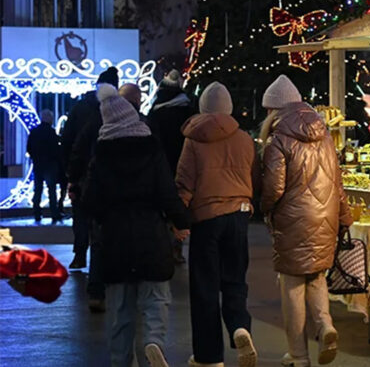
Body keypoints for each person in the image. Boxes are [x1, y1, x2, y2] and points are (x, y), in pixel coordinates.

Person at [82, 83, 190, 367]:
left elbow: (90, 203)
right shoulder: (151, 148)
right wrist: (181, 222)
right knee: (156, 299)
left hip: (116, 240)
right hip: (151, 236)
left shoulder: (101, 156)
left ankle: (121, 361)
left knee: (120, 311)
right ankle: (153, 341)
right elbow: (167, 192)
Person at [259, 75, 352, 367]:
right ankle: (325, 326)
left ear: (274, 109)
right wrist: (345, 217)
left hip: (293, 218)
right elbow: (338, 183)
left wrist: (264, 209)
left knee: (292, 284)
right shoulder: (324, 134)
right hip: (326, 217)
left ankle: (298, 355)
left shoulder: (277, 140)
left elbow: (274, 188)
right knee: (317, 277)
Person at [175, 82, 259, 367]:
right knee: (235, 279)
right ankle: (239, 327)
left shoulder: (194, 139)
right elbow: (254, 177)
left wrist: (178, 218)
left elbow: (184, 182)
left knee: (205, 288)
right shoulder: (245, 139)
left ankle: (209, 357)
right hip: (239, 215)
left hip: (207, 220)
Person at [62, 67, 119, 312]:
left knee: (83, 219)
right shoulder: (117, 113)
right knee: (103, 230)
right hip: (110, 180)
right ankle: (104, 282)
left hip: (86, 177)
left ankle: (79, 254)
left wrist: (71, 176)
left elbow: (71, 143)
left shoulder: (81, 109)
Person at [147, 71, 197, 264]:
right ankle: (178, 246)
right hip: (185, 166)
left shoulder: (155, 113)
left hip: (162, 166)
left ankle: (165, 246)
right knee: (181, 206)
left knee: (164, 208)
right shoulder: (189, 112)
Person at [26, 109, 62, 224]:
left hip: (38, 165)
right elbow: (56, 150)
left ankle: (37, 212)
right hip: (50, 165)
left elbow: (29, 148)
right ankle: (54, 213)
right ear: (50, 119)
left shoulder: (34, 132)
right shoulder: (52, 133)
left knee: (38, 189)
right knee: (52, 190)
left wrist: (35, 157)